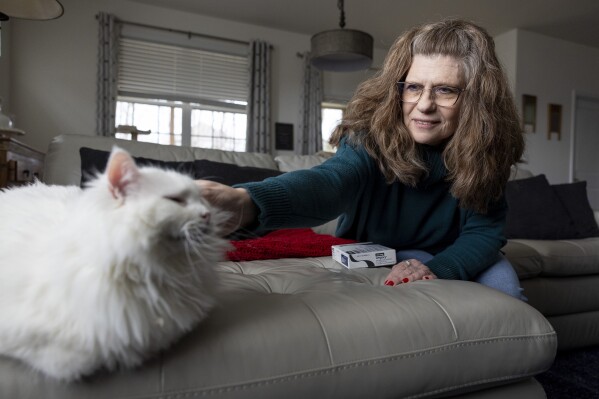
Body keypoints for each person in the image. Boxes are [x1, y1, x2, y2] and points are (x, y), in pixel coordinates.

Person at [199, 18, 526, 299]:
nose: (424, 104)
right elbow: (331, 183)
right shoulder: (368, 135)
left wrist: (438, 267)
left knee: (508, 293)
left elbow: (484, 232)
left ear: (475, 100)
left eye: (445, 90)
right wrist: (248, 202)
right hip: (382, 249)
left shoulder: (488, 149)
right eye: (413, 87)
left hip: (455, 250)